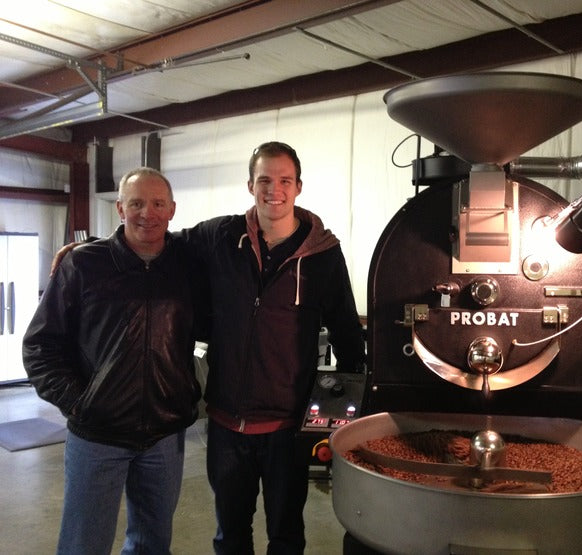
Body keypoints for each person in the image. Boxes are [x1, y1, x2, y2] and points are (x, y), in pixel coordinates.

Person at [178, 141, 366, 554]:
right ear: (250, 185)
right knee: (230, 536)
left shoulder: (324, 256)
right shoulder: (220, 237)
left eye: (284, 180)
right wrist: (92, 252)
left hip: (287, 431)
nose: (273, 190)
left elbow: (347, 334)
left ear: (298, 187)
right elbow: (159, 242)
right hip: (226, 426)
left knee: (285, 536)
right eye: (264, 180)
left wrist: (349, 412)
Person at [23, 167, 204, 555]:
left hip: (164, 433)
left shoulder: (189, 266)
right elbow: (40, 346)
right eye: (136, 203)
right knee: (83, 544)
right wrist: (80, 403)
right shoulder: (84, 264)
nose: (147, 213)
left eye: (158, 204)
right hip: (98, 435)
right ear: (120, 208)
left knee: (152, 544)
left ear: (172, 210)